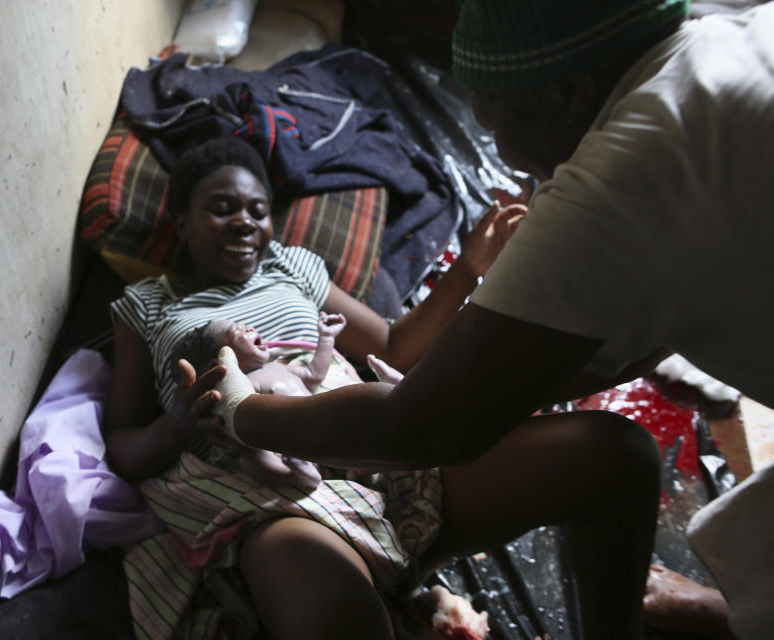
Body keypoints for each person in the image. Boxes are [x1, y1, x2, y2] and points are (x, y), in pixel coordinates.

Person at [210, 2, 774, 638]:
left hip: (356, 457)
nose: (499, 147)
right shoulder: (739, 39)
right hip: (312, 485)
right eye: (216, 209)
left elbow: (420, 411)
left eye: (493, 113)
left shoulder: (627, 170)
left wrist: (239, 412)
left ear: (569, 91)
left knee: (617, 455)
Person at [102, 135, 657, 640]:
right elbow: (124, 445)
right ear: (180, 223)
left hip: (382, 450)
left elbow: (390, 346)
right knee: (340, 620)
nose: (245, 222)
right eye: (221, 208)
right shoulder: (151, 305)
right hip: (267, 493)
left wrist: (468, 268)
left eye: (257, 210)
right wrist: (176, 425)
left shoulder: (291, 268)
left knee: (617, 454)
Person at [167, 311, 355, 490]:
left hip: (324, 430)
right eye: (237, 330)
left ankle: (355, 469)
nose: (249, 328)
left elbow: (314, 374)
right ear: (219, 364)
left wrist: (327, 337)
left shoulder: (278, 366)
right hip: (288, 450)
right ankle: (296, 475)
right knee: (250, 460)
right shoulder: (241, 387)